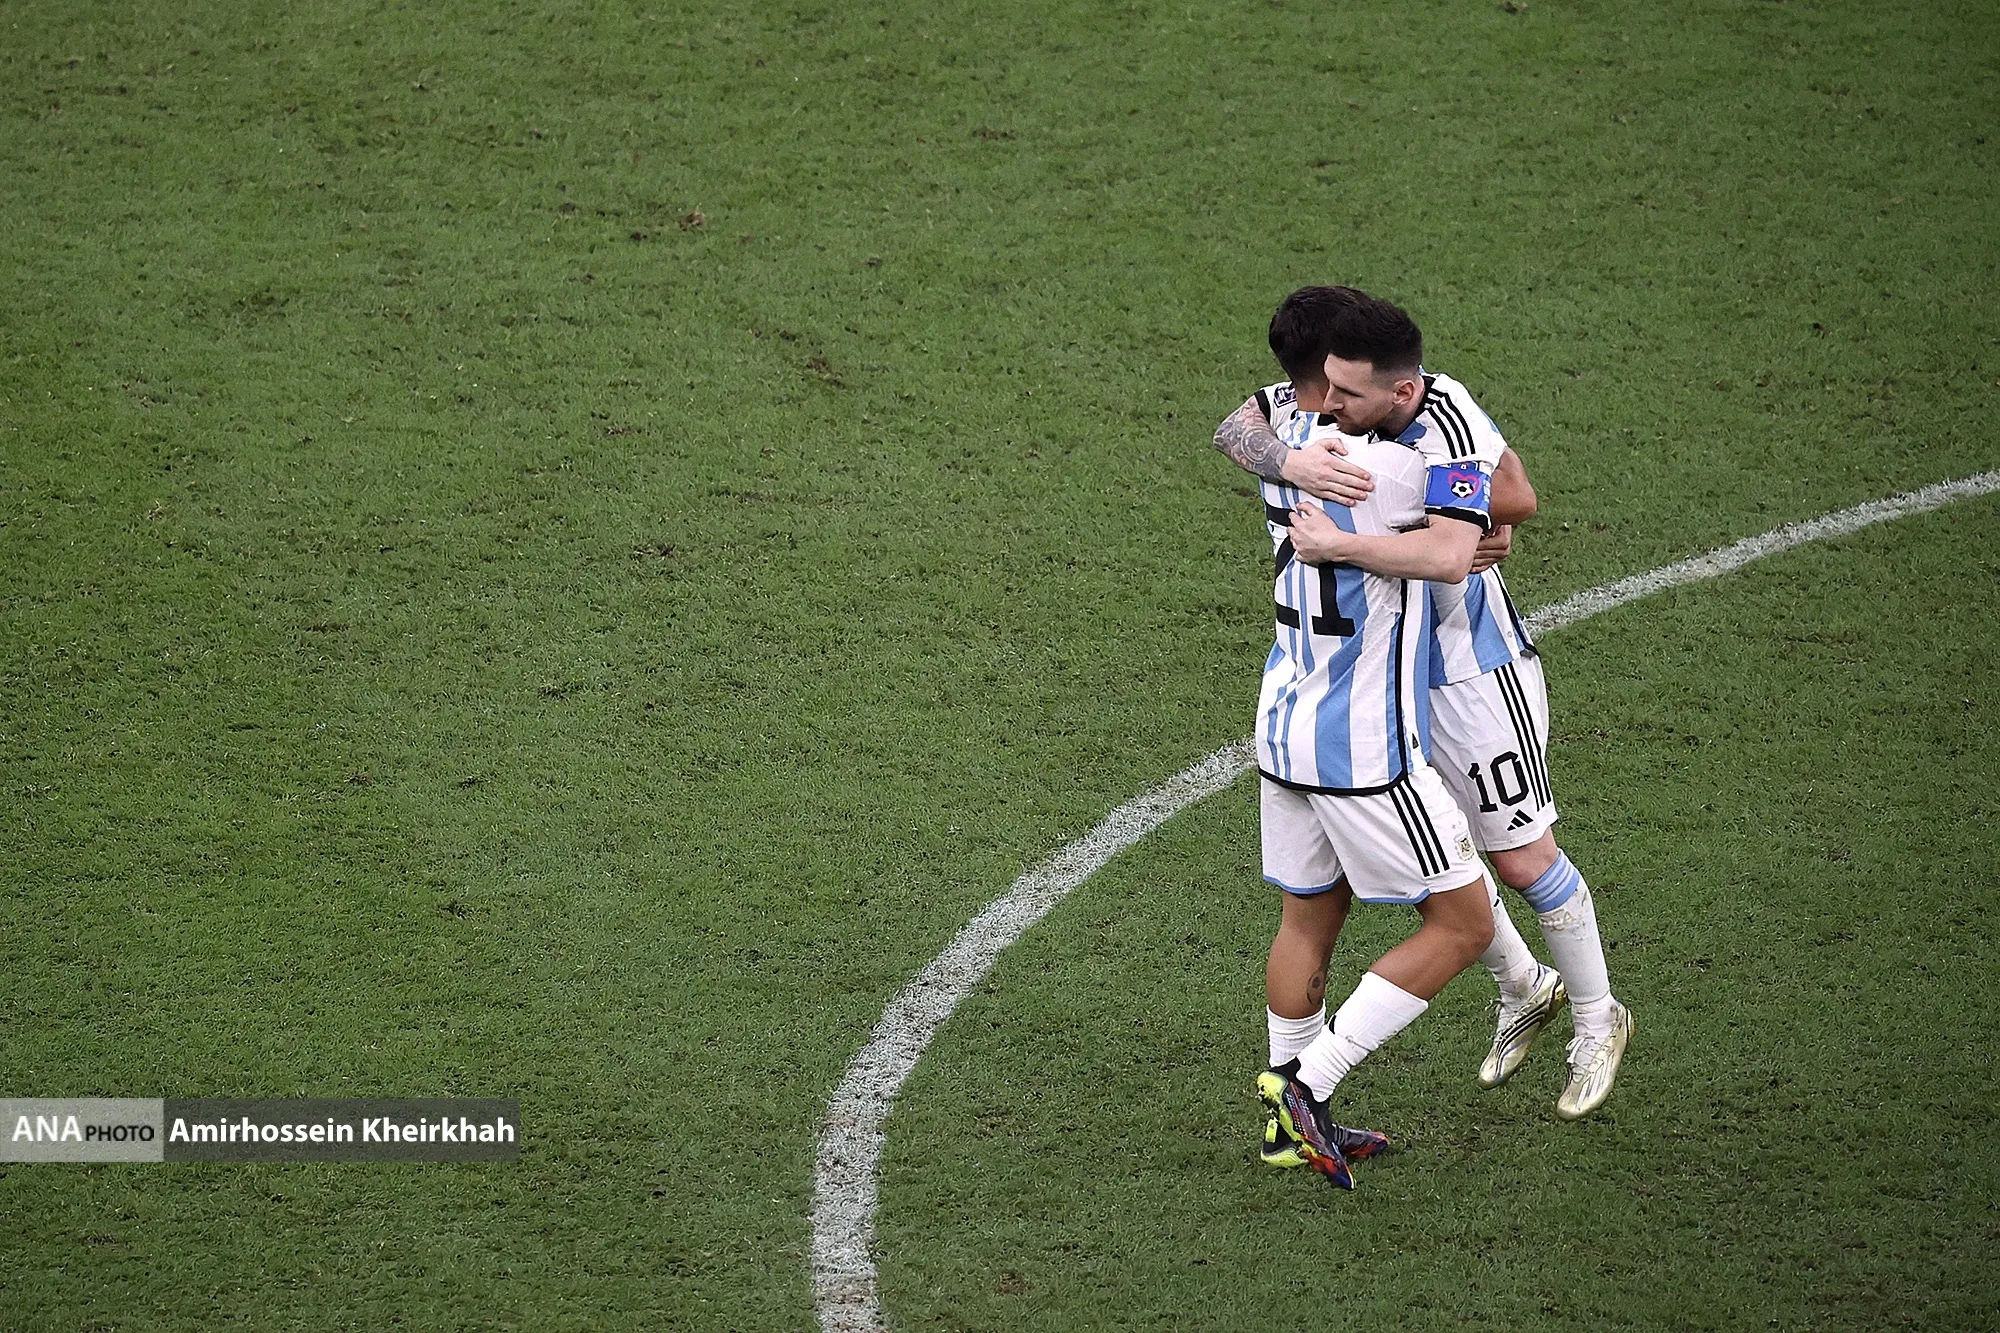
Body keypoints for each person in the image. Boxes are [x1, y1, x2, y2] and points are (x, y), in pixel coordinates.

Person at [1216, 287, 1632, 1132]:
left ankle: (1598, 1019)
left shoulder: (1443, 416)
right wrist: (1294, 464)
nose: (1327, 406)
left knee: (1518, 857)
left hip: (1468, 668)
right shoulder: (1314, 418)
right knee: (1435, 857)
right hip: (1379, 679)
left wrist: (1468, 520)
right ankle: (1522, 986)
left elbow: (1515, 499)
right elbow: (1237, 424)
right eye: (1324, 387)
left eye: (1345, 391)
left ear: (1394, 387)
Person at [1236, 326, 1513, 1187]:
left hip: (1285, 720)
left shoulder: (1281, 441)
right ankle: (1306, 1090)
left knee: (1307, 919)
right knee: (1464, 924)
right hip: (1364, 748)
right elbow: (1465, 538)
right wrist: (1478, 529)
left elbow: (1234, 425)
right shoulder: (1393, 464)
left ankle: (1287, 1122)